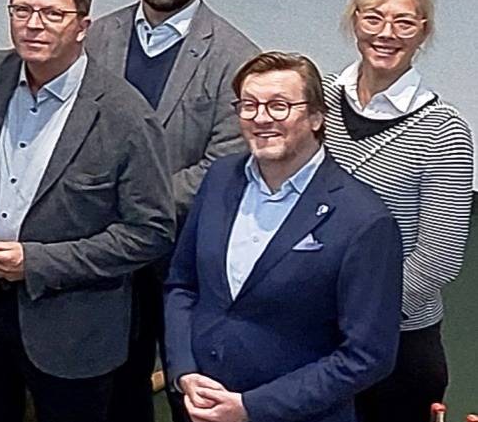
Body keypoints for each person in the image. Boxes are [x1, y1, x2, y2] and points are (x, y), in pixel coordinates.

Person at [0, 0, 174, 422]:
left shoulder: (125, 116)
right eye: (21, 10)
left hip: (72, 330)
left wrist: (37, 263)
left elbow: (150, 232)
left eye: (52, 14)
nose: (33, 25)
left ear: (83, 26)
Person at [167, 52, 404, 422]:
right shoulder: (219, 179)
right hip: (199, 407)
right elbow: (182, 286)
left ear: (316, 117)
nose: (261, 119)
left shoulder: (364, 221)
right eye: (249, 106)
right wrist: (184, 372)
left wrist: (251, 409)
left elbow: (367, 355)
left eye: (279, 106)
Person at [89, 0, 258, 419]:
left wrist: (136, 202)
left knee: (192, 395)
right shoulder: (97, 37)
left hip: (181, 258)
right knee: (110, 389)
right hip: (98, 247)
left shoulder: (236, 58)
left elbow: (223, 163)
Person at [321, 0, 471, 422]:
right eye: (374, 18)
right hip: (309, 337)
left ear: (423, 32)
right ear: (355, 21)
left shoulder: (444, 130)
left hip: (396, 348)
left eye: (404, 23)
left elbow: (438, 259)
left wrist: (353, 317)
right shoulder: (318, 101)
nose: (386, 34)